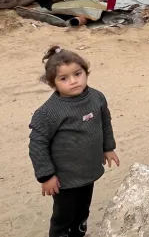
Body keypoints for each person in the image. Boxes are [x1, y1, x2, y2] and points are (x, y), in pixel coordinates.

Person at [28, 46, 120, 237]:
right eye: (64, 78)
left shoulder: (96, 98)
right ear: (53, 83)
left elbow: (105, 122)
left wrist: (108, 147)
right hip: (64, 178)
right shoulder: (48, 112)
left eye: (77, 74)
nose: (73, 81)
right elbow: (37, 144)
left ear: (85, 72)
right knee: (64, 217)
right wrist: (46, 176)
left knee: (82, 211)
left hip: (88, 170)